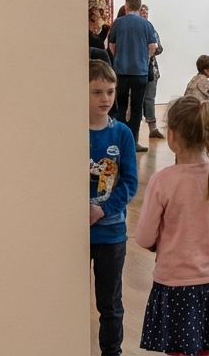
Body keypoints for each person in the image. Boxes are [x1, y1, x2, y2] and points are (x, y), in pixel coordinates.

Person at [136, 95, 209, 355]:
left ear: (171, 137)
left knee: (178, 350)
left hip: (175, 283)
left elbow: (144, 237)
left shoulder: (163, 181)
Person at [88, 60, 139, 356]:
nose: (105, 99)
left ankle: (112, 352)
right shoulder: (68, 134)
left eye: (109, 92)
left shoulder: (122, 134)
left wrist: (103, 211)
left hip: (111, 234)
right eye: (96, 92)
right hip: (73, 233)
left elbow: (129, 181)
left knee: (110, 303)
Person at [107, 0, 158, 150]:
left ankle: (119, 140)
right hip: (140, 71)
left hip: (121, 70)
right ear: (140, 6)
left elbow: (111, 46)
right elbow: (153, 47)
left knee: (120, 106)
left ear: (126, 5)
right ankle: (133, 142)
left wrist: (119, 58)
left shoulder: (118, 23)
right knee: (136, 108)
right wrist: (144, 58)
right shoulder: (146, 24)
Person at [140, 4, 164, 140]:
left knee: (150, 98)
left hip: (151, 69)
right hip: (136, 69)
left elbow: (159, 48)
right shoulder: (135, 29)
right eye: (142, 13)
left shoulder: (151, 29)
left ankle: (153, 127)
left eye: (146, 13)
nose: (144, 15)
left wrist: (150, 50)